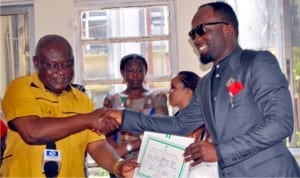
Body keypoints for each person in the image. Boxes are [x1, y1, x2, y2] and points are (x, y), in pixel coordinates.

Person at [101, 1, 300, 177]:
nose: (196, 39)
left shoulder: (256, 63)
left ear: (228, 29)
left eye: (202, 30)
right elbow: (178, 125)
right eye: (192, 33)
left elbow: (280, 123)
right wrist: (123, 117)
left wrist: (219, 151)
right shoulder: (205, 84)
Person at [0, 34, 138, 177]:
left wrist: (119, 166)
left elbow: (97, 146)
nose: (61, 72)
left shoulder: (82, 100)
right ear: (36, 62)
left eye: (67, 64)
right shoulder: (21, 88)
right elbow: (33, 132)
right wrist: (88, 119)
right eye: (52, 65)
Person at [103, 53, 169, 177]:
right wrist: (118, 156)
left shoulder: (157, 97)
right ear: (123, 73)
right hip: (118, 161)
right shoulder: (112, 99)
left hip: (149, 160)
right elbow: (105, 134)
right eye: (130, 70)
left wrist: (136, 155)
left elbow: (161, 130)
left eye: (140, 70)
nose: (135, 75)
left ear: (145, 72)